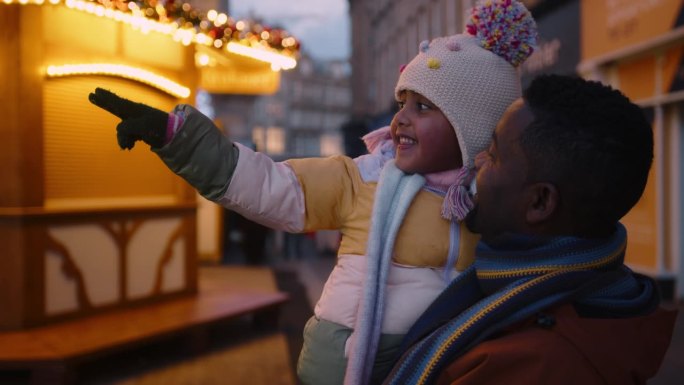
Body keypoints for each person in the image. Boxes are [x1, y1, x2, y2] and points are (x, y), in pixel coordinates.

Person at [88, 1, 537, 384]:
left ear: (471, 127)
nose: (399, 120)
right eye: (402, 103)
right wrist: (177, 137)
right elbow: (271, 186)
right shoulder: (365, 178)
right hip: (343, 360)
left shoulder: (492, 197)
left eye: (422, 107)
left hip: (438, 359)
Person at [384, 74, 678, 385]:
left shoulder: (535, 364)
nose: (477, 162)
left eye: (494, 155)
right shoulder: (585, 295)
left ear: (539, 202)